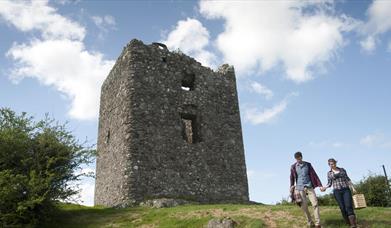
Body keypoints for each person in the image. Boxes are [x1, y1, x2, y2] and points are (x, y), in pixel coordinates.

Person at [321, 158, 357, 228]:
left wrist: (353, 188)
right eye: (330, 164)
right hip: (337, 191)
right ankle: (348, 223)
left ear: (335, 163)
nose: (332, 165)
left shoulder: (342, 170)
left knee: (349, 206)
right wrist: (325, 187)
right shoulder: (329, 173)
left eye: (333, 163)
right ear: (329, 165)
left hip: (346, 189)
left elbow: (348, 179)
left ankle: (353, 224)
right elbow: (329, 183)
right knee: (342, 208)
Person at [290, 151, 323, 227]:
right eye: (297, 158)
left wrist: (320, 185)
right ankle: (310, 222)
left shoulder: (308, 164)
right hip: (299, 187)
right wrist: (291, 186)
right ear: (295, 159)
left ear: (301, 157)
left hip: (309, 186)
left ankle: (318, 223)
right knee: (304, 206)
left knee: (315, 203)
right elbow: (291, 177)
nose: (298, 159)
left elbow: (314, 174)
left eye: (299, 158)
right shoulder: (293, 166)